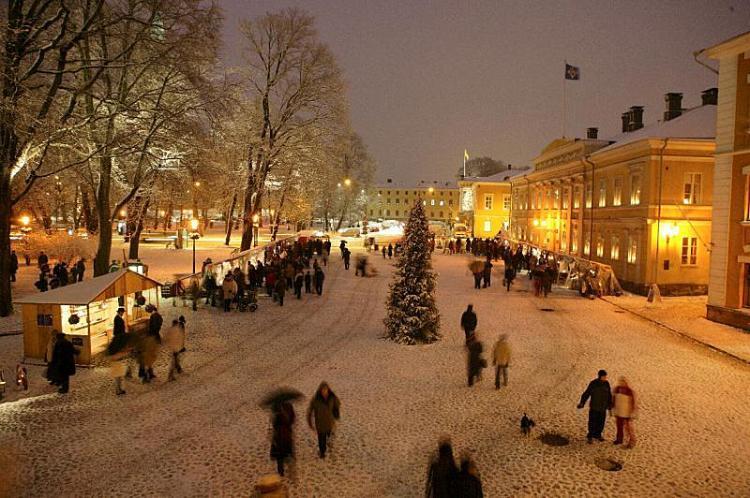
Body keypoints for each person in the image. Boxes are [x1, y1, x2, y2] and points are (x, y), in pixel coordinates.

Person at [577, 369, 613, 444]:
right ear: (600, 376)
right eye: (604, 376)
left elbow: (609, 395)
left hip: (603, 407)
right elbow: (587, 393)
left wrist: (609, 405)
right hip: (594, 407)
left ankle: (598, 435)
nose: (605, 378)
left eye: (605, 376)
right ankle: (590, 436)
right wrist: (582, 403)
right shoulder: (593, 383)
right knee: (592, 422)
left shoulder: (606, 384)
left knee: (601, 422)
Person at [307, 382, 341, 458]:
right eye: (323, 390)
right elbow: (310, 411)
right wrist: (310, 422)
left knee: (329, 437)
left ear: (328, 390)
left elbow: (337, 404)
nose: (324, 391)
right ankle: (322, 452)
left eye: (326, 389)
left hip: (329, 422)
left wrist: (336, 414)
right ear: (320, 390)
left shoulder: (332, 397)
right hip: (320, 423)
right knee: (321, 439)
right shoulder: (316, 399)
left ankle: (329, 447)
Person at [271, 401, 296, 476]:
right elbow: (274, 422)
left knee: (284, 452)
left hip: (284, 433)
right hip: (281, 434)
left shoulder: (287, 406)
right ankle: (281, 470)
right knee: (280, 453)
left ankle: (285, 469)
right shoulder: (276, 408)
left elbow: (292, 418)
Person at [612, 376, 637, 448]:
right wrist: (613, 408)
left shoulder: (630, 391)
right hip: (619, 412)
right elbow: (613, 399)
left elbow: (634, 402)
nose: (622, 383)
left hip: (627, 413)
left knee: (628, 429)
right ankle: (619, 439)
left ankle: (632, 441)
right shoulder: (617, 389)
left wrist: (632, 412)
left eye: (623, 382)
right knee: (619, 427)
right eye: (620, 382)